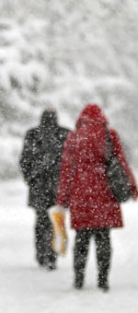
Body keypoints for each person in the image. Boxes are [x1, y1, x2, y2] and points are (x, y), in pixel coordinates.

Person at [56, 104, 138, 292]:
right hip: (104, 192)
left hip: (81, 193)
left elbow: (67, 171)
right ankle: (103, 280)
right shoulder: (110, 135)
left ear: (81, 119)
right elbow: (122, 162)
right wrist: (132, 186)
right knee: (103, 237)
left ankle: (78, 279)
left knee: (81, 238)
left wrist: (62, 199)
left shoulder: (74, 137)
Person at [20, 108, 70, 270]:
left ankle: (41, 253)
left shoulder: (33, 134)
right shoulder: (65, 134)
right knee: (57, 220)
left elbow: (25, 160)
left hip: (39, 186)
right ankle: (53, 254)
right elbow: (73, 162)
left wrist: (31, 178)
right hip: (59, 187)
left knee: (41, 220)